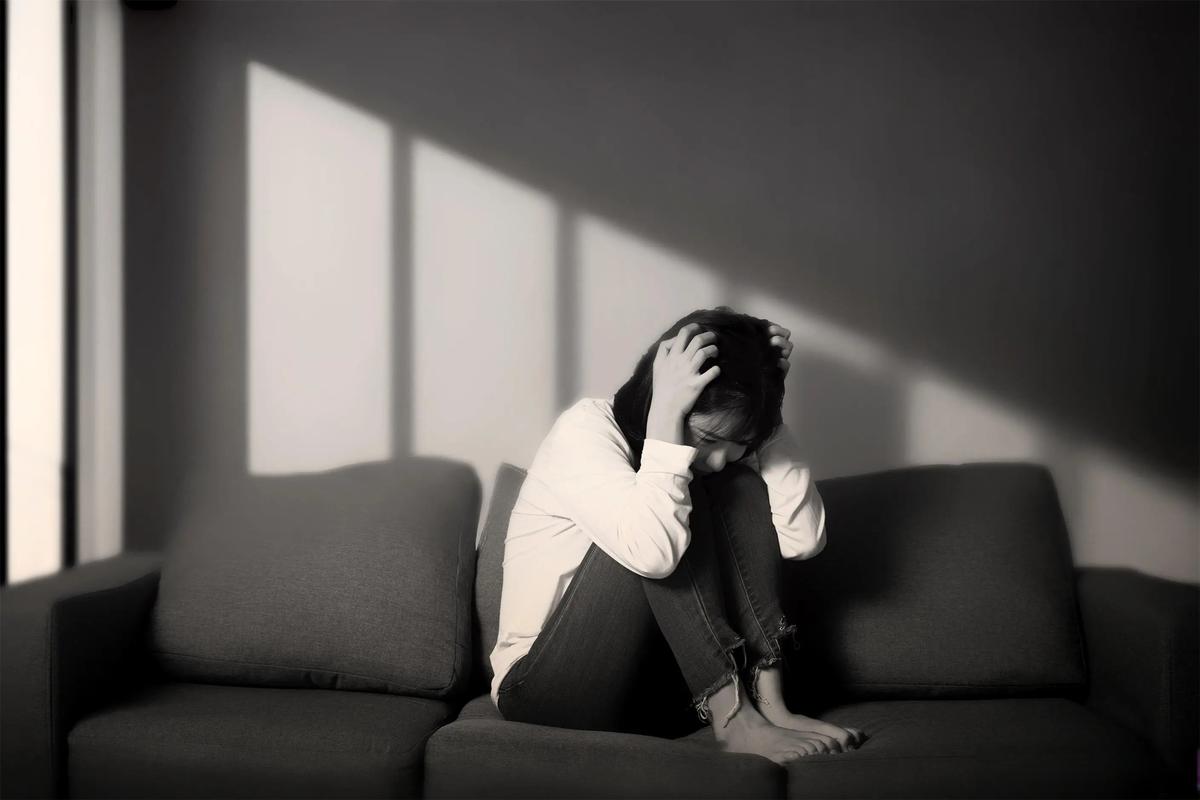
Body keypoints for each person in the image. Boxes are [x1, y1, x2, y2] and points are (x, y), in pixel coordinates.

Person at [489, 306, 865, 765]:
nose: (720, 458)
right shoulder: (583, 430)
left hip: (661, 696)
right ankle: (733, 718)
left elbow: (802, 539)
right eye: (708, 438)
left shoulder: (720, 459)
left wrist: (766, 410)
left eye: (739, 444)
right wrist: (665, 414)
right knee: (666, 511)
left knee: (738, 483)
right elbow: (654, 554)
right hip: (546, 689)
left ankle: (771, 704)